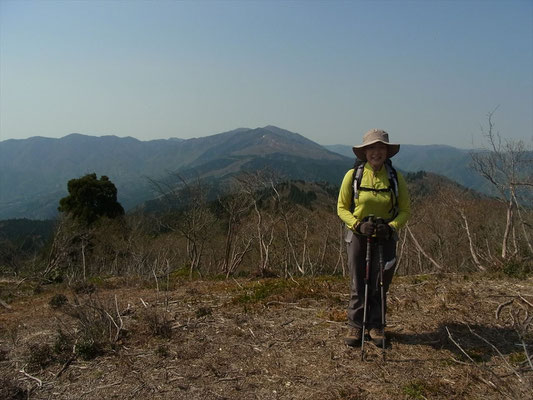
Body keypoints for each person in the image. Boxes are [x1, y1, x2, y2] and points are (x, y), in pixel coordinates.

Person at [337, 129, 410, 347]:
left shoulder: (395, 178)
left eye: (380, 148)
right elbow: (341, 208)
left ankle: (376, 325)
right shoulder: (353, 176)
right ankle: (356, 325)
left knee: (381, 282)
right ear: (364, 152)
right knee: (358, 282)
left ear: (387, 151)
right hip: (359, 235)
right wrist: (358, 224)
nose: (376, 152)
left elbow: (405, 210)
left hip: (385, 235)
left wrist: (391, 227)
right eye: (371, 148)